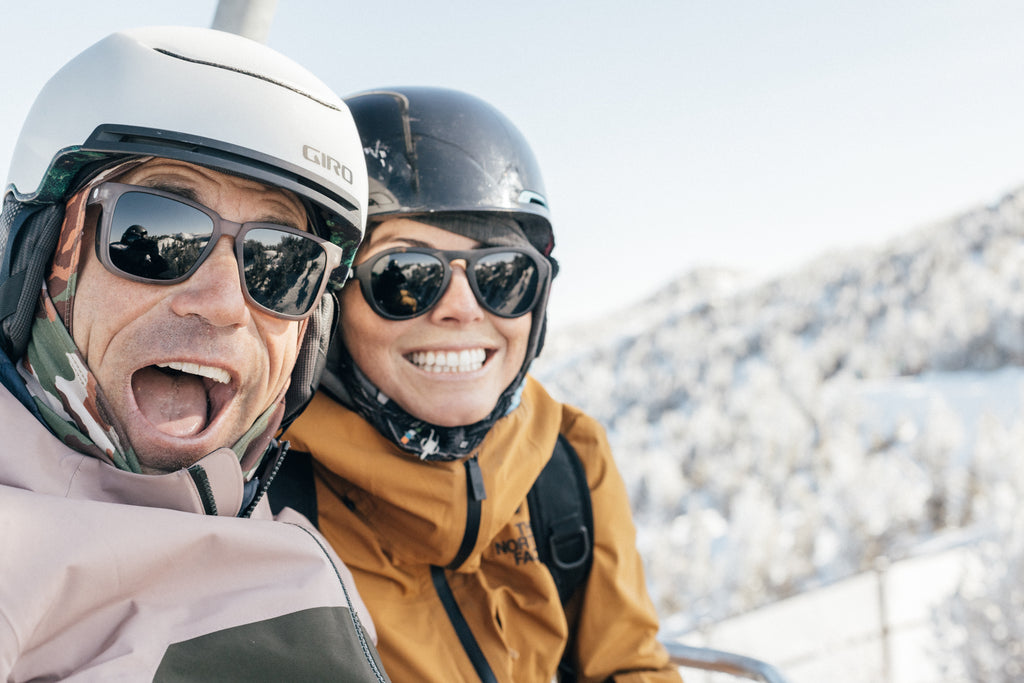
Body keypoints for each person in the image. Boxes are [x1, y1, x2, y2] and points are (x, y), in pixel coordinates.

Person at [0, 27, 391, 681]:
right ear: (41, 256)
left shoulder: (306, 551)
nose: (223, 303)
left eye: (280, 263)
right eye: (155, 234)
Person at [275, 86, 682, 682]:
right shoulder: (259, 502)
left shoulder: (567, 461)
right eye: (406, 276)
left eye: (503, 275)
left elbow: (630, 666)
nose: (464, 309)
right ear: (329, 308)